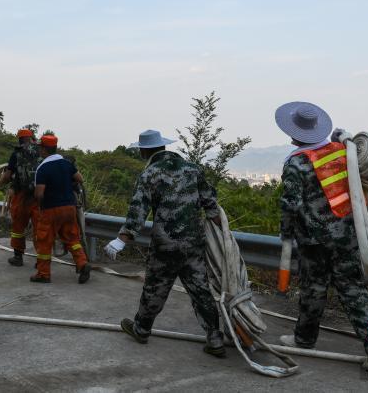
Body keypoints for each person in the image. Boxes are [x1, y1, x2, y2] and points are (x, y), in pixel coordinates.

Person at [104, 129, 225, 358]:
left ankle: (141, 328)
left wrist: (122, 239)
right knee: (200, 290)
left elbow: (138, 211)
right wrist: (222, 238)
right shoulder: (192, 169)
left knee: (156, 287)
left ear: (144, 150)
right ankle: (215, 338)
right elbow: (211, 203)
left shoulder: (150, 173)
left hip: (166, 244)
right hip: (193, 243)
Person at [274, 101, 368, 357]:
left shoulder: (296, 163)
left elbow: (291, 204)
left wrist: (286, 232)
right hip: (347, 234)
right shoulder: (342, 152)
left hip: (314, 240)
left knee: (314, 289)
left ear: (293, 132)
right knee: (354, 288)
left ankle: (304, 340)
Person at [30, 133, 90, 284]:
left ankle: (43, 274)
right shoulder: (67, 164)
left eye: (40, 148)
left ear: (44, 149)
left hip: (51, 209)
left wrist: (41, 207)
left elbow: (39, 193)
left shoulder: (42, 168)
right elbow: (80, 179)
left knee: (44, 240)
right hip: (69, 207)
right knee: (72, 239)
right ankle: (82, 264)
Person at [0, 127, 41, 266]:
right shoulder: (40, 151)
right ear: (32, 138)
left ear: (19, 139)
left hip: (21, 195)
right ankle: (41, 260)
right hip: (39, 196)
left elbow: (8, 175)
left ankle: (18, 257)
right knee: (40, 228)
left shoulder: (16, 153)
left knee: (18, 227)